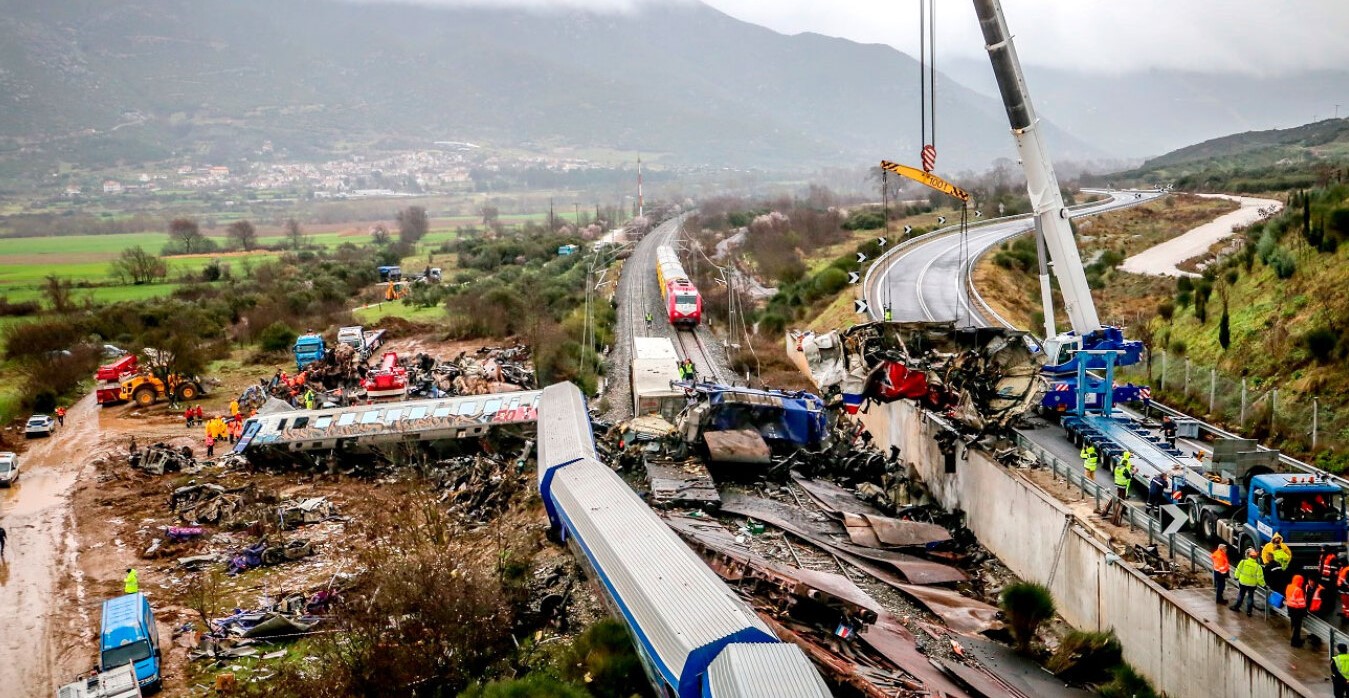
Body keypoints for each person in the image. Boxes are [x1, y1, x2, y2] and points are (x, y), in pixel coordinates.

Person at [1230, 548, 1265, 616]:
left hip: (1243, 582)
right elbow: (1260, 578)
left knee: (1241, 594)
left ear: (1248, 556)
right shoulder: (1258, 567)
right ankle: (1249, 612)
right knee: (1250, 597)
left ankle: (1237, 607)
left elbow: (1238, 570)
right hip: (1252, 584)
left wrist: (1236, 577)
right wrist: (1263, 585)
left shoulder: (1243, 562)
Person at [1287, 574, 1310, 647]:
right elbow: (1301, 603)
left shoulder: (1289, 587)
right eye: (1301, 582)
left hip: (1290, 608)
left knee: (1293, 625)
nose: (1302, 583)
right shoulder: (1298, 590)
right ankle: (1295, 642)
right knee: (1297, 627)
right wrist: (1305, 612)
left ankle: (1295, 640)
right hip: (1297, 610)